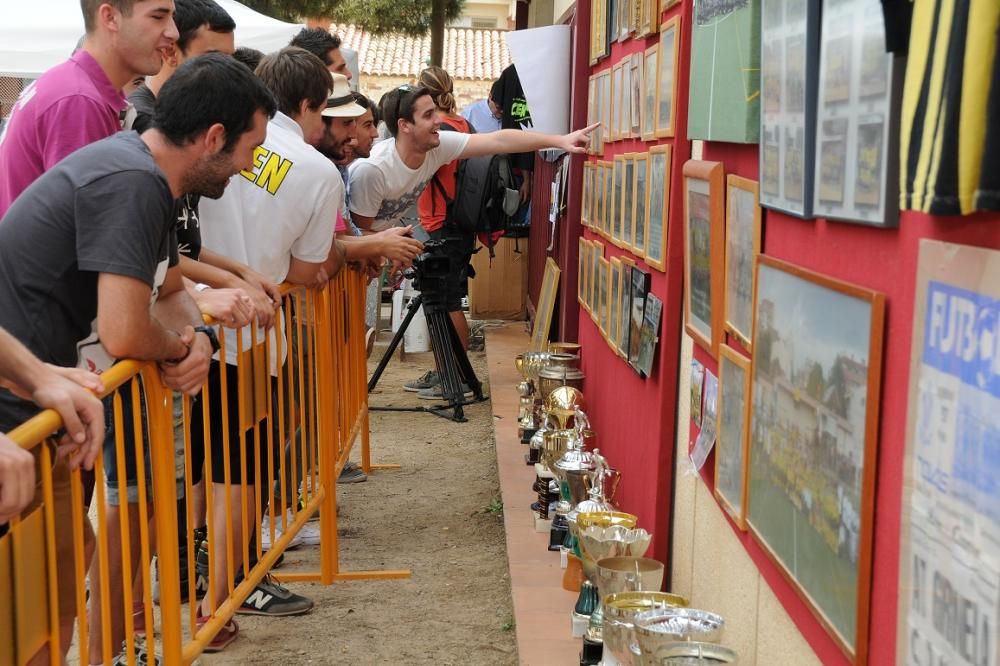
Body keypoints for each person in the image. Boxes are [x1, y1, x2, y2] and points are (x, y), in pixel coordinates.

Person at [0, 51, 273, 663]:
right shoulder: (133, 180)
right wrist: (182, 345)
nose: (252, 165)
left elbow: (170, 288)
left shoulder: (147, 172)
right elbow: (127, 330)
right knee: (42, 600)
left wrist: (196, 340)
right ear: (213, 138)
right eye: (251, 148)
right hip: (21, 405)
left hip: (47, 395)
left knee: (63, 576)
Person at [196, 49, 362, 649]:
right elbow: (307, 266)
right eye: (326, 112)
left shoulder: (210, 143)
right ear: (308, 105)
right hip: (251, 330)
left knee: (203, 467)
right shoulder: (315, 170)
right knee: (239, 471)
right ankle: (220, 600)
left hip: (193, 321)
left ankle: (207, 584)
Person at [0, 0, 179, 217]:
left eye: (172, 17)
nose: (174, 32)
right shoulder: (78, 100)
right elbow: (87, 227)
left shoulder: (76, 87)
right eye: (158, 17)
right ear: (110, 17)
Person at [347, 84, 594, 234]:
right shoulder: (372, 170)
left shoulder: (437, 147)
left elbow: (498, 141)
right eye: (428, 115)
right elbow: (358, 234)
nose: (438, 121)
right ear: (405, 126)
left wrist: (560, 140)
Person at [412, 66, 475, 392]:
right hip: (459, 226)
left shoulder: (441, 132)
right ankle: (449, 370)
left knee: (446, 301)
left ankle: (455, 374)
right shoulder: (464, 124)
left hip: (442, 226)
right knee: (449, 299)